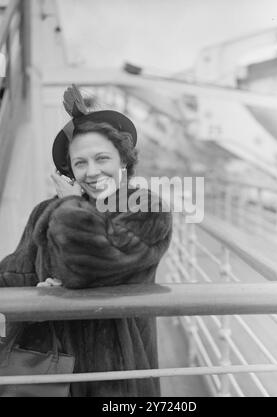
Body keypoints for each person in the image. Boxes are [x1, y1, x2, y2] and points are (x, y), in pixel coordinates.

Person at [0, 85, 173, 397]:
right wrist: (38, 287)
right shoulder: (48, 210)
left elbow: (96, 262)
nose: (92, 172)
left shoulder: (146, 206)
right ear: (69, 170)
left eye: (102, 158)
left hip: (117, 371)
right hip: (51, 365)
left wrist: (69, 207)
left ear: (123, 162)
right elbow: (15, 273)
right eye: (80, 163)